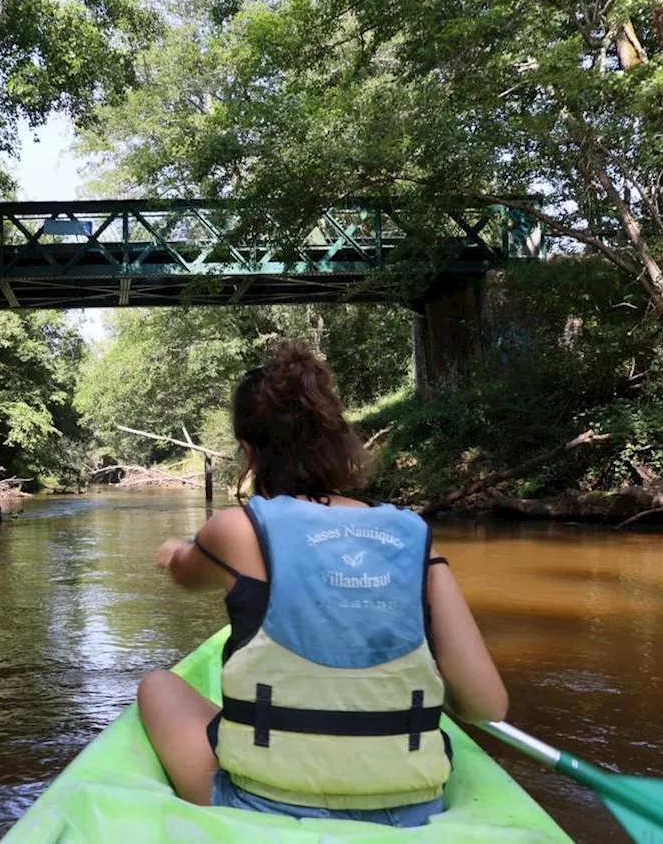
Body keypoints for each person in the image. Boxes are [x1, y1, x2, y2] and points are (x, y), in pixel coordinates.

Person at [138, 342, 508, 828]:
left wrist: (175, 553)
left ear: (248, 451)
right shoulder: (413, 538)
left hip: (262, 805)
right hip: (410, 810)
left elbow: (188, 575)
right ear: (338, 443)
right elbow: (486, 706)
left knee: (157, 685)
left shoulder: (234, 529)